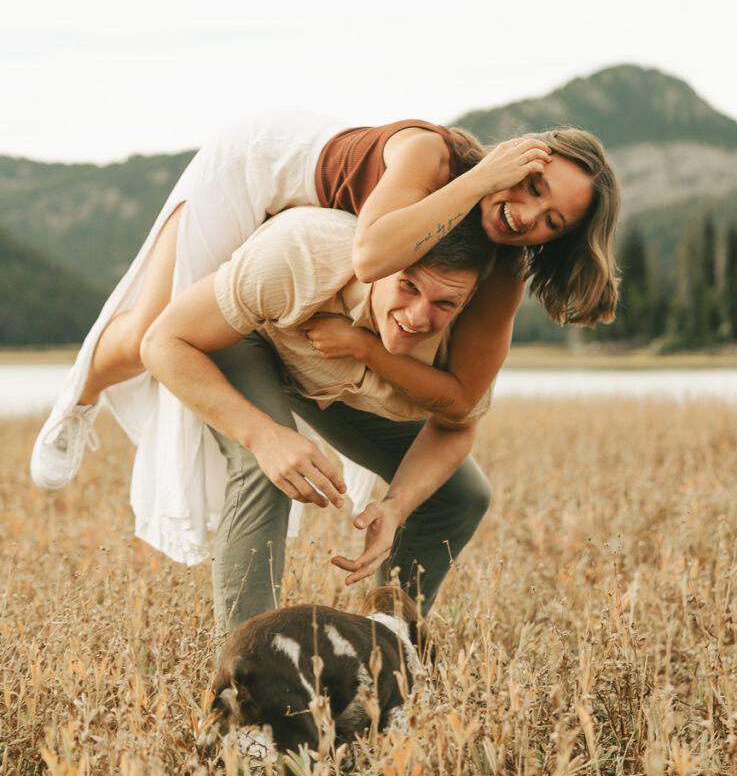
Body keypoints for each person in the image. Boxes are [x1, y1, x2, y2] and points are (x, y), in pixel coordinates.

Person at [31, 110, 620, 566]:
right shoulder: (429, 155)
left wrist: (365, 349)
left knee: (207, 326)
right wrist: (483, 180)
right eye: (534, 187)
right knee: (148, 334)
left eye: (551, 222)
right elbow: (369, 257)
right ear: (516, 161)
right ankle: (77, 400)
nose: (527, 214)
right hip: (255, 167)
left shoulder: (501, 263)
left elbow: (463, 399)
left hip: (297, 239)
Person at [140, 202, 497, 633]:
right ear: (380, 265)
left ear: (470, 299)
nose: (419, 317)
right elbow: (161, 342)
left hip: (331, 377)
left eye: (445, 303)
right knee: (266, 467)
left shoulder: (473, 335)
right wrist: (264, 437)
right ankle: (251, 673)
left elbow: (457, 425)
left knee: (461, 493)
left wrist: (397, 506)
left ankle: (387, 650)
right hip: (247, 333)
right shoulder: (298, 252)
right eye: (408, 286)